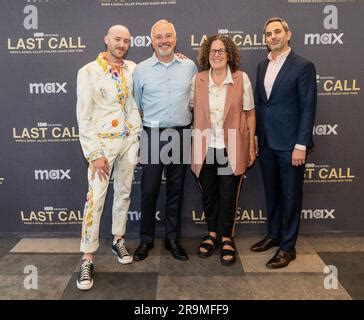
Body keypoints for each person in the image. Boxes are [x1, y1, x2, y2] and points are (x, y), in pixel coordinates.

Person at [76, 25, 142, 290]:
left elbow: (156, 68)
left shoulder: (134, 68)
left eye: (126, 40)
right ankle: (87, 258)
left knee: (124, 193)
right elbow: (84, 116)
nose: (122, 44)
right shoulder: (88, 72)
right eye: (118, 39)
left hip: (129, 141)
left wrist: (179, 57)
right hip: (102, 145)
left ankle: (118, 240)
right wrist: (94, 154)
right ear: (106, 39)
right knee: (96, 199)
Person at [251, 17, 317, 268]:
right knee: (273, 194)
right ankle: (274, 235)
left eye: (277, 32)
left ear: (288, 34)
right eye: (268, 34)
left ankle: (288, 247)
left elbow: (308, 107)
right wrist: (257, 137)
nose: (272, 37)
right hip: (267, 143)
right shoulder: (261, 66)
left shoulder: (303, 66)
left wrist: (301, 144)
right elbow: (260, 105)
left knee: (291, 196)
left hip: (291, 146)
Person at [133, 19, 197, 261]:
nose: (164, 41)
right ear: (151, 41)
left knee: (176, 190)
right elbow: (137, 105)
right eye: (159, 36)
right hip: (152, 134)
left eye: (168, 36)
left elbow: (194, 100)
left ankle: (172, 239)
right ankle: (145, 240)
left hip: (181, 133)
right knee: (148, 190)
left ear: (175, 39)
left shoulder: (189, 65)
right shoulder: (140, 70)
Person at [190, 35, 256, 266]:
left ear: (229, 54)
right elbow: (192, 108)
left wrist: (250, 146)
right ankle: (212, 234)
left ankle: (227, 237)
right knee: (208, 196)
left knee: (228, 196)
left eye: (221, 51)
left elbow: (249, 113)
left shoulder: (241, 79)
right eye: (213, 51)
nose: (216, 54)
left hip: (232, 147)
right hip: (205, 147)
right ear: (207, 55)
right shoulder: (198, 80)